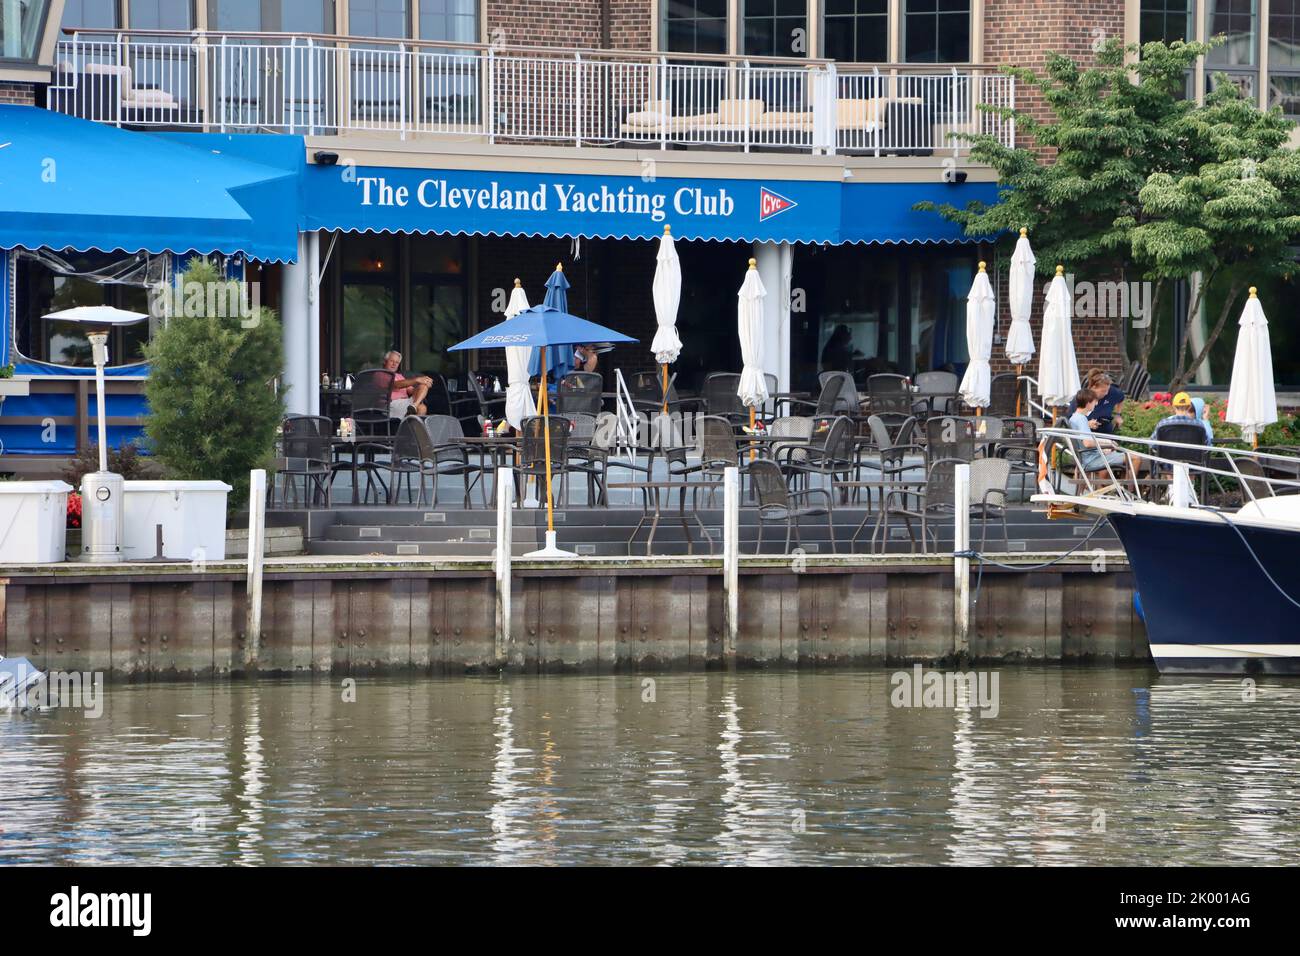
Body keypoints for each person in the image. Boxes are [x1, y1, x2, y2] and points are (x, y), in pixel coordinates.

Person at [1068, 388, 1138, 475]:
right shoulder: (1081, 419)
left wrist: (1104, 448)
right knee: (1135, 458)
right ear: (1088, 403)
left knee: (1113, 453)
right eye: (1095, 402)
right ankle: (1129, 488)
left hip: (1087, 457)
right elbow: (1087, 443)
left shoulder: (1073, 418)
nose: (1096, 404)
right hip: (1092, 460)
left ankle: (1117, 487)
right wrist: (1108, 442)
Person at [1065, 368, 1125, 434]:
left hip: (1106, 433)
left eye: (1108, 390)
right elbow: (1070, 421)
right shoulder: (1081, 398)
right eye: (1103, 391)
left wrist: (1118, 415)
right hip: (1087, 435)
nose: (1106, 393)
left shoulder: (1112, 392)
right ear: (1093, 387)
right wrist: (1086, 424)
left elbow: (1121, 398)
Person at [381, 350, 432, 417]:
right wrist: (417, 380)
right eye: (392, 361)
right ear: (385, 361)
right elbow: (396, 385)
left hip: (406, 403)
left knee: (422, 408)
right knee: (421, 407)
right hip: (391, 404)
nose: (394, 364)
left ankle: (414, 406)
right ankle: (410, 418)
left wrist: (424, 387)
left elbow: (411, 390)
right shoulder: (380, 374)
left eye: (397, 362)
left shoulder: (399, 376)